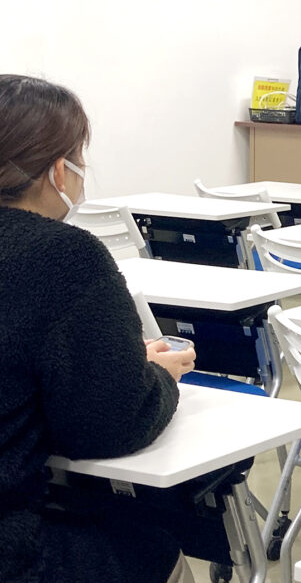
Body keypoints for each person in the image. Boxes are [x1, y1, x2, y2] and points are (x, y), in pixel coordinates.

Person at [0, 74, 196, 583]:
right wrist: (155, 376)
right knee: (154, 548)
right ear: (58, 172)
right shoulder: (61, 257)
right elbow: (109, 428)